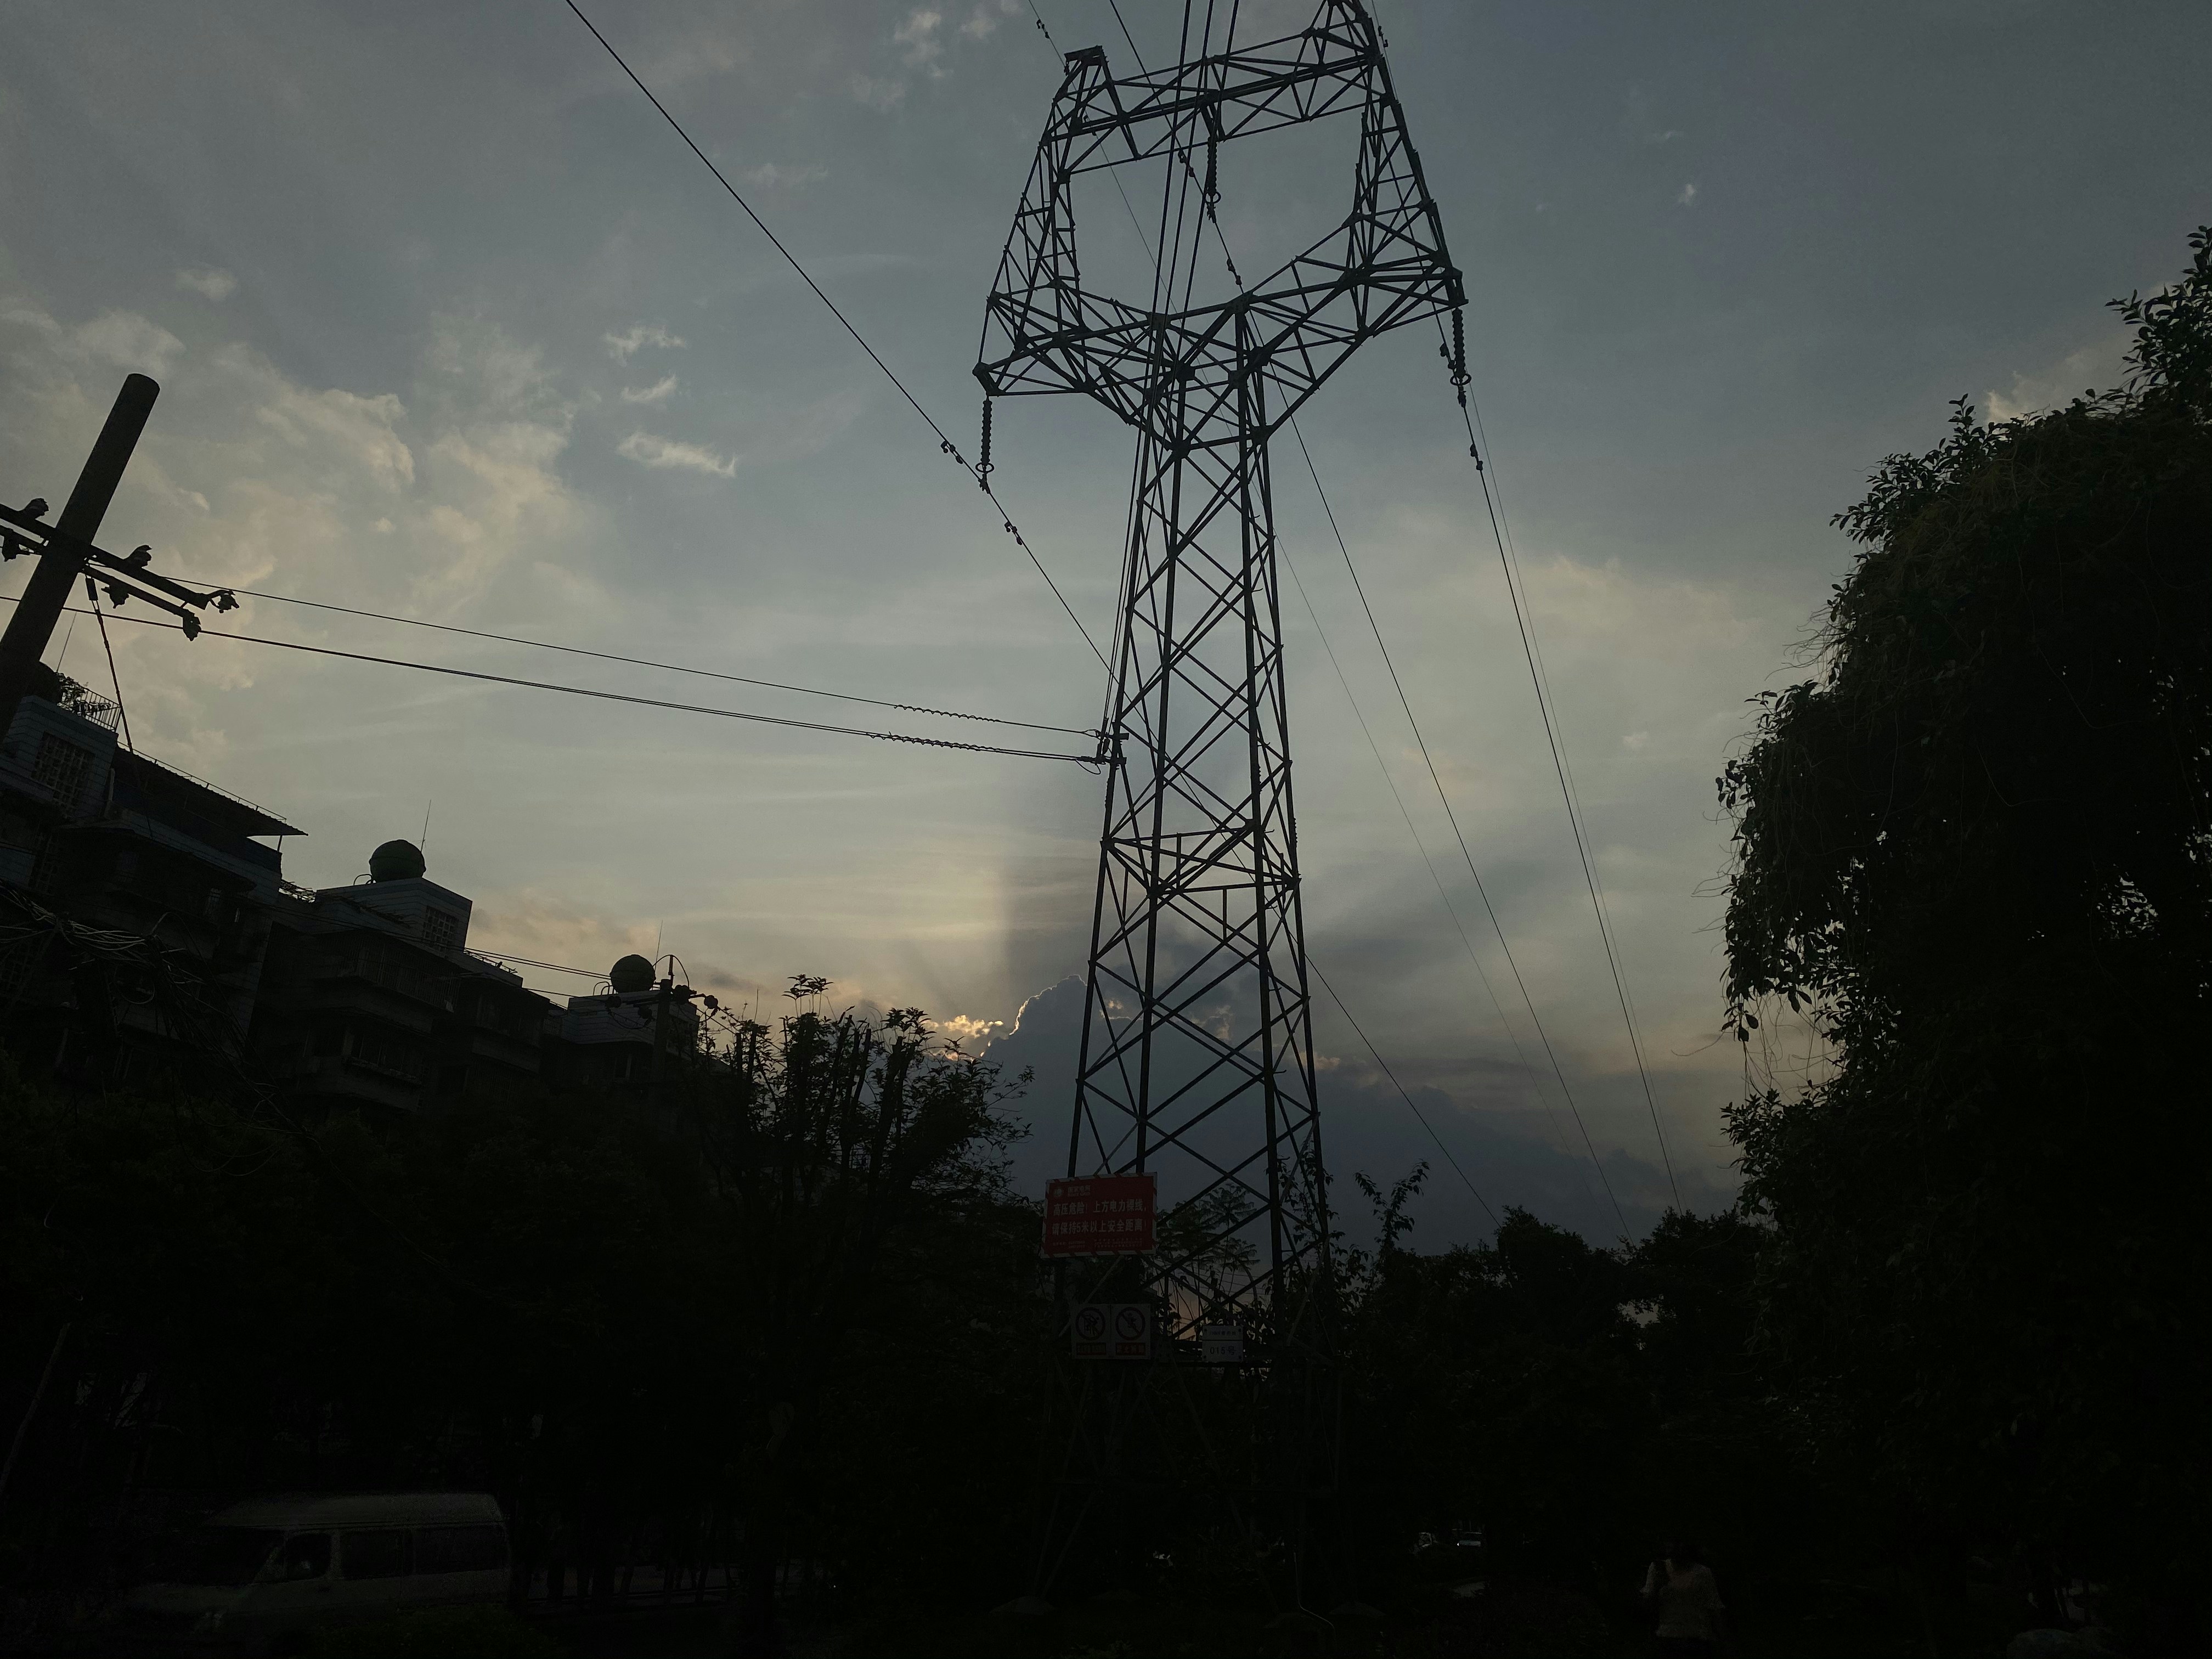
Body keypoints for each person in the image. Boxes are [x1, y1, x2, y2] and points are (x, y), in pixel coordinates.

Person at [1641, 1539, 1728, 1656]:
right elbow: (1646, 1607)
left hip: (1696, 1639)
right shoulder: (1658, 1569)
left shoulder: (1702, 1573)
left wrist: (1722, 1641)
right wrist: (1657, 1586)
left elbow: (1714, 1608)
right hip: (1667, 1638)